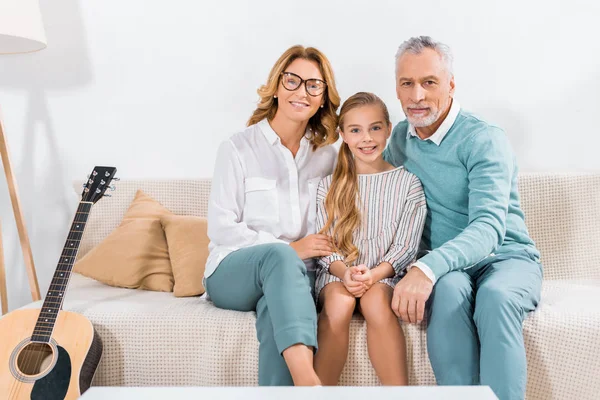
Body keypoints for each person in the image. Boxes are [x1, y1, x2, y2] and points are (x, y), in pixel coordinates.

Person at [384, 36, 543, 400]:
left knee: (497, 299)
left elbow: (489, 229)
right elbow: (378, 197)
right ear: (396, 88)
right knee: (450, 293)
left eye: (429, 82)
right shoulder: (399, 139)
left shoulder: (483, 139)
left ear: (451, 84)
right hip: (450, 270)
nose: (417, 95)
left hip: (505, 258)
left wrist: (424, 269)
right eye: (407, 83)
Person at [204, 45, 341, 386]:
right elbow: (221, 227)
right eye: (293, 80)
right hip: (232, 272)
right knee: (280, 257)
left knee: (273, 310)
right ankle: (310, 385)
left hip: (292, 281)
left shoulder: (328, 157)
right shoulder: (237, 148)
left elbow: (335, 226)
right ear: (277, 85)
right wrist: (290, 249)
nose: (302, 91)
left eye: (314, 85)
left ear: (323, 97)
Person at [313, 92, 427, 386]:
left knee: (377, 303)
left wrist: (374, 274)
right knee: (338, 306)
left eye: (375, 127)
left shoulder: (408, 183)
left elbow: (405, 246)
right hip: (338, 275)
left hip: (385, 275)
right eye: (356, 130)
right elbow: (324, 244)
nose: (367, 138)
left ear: (389, 128)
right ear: (342, 135)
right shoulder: (329, 186)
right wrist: (345, 272)